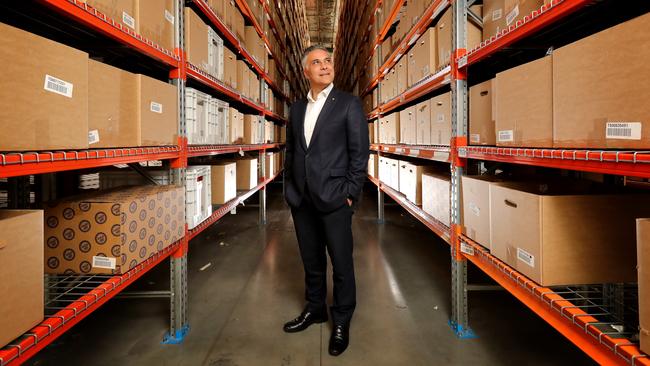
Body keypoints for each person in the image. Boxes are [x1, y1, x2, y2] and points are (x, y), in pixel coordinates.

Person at [282, 44, 369, 356]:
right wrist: (290, 190)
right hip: (302, 199)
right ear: (306, 72)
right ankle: (315, 308)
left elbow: (359, 155)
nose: (324, 66)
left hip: (335, 198)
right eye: (316, 62)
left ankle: (341, 319)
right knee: (312, 261)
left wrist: (349, 194)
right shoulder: (296, 109)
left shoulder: (348, 104)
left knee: (342, 264)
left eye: (328, 60)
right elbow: (291, 151)